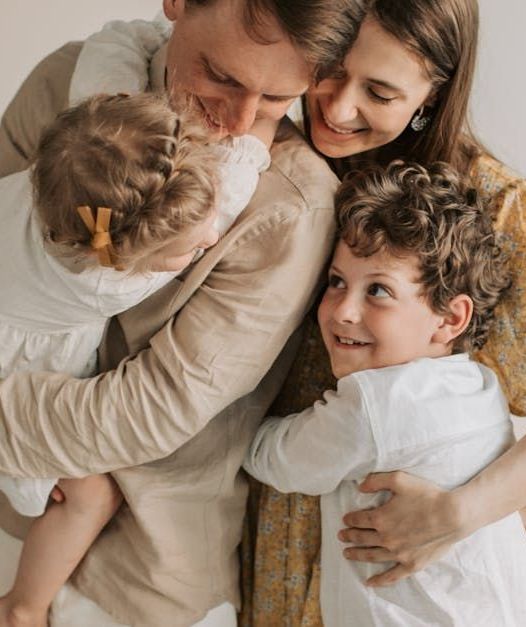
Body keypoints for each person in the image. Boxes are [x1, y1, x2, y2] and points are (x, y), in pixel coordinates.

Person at [0, 1, 364, 625]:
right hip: (15, 503)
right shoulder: (66, 82)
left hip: (139, 576)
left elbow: (151, 409)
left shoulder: (291, 206)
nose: (239, 122)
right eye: (221, 77)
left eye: (277, 99)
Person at [242, 1, 526, 625]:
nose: (338, 109)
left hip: (406, 571)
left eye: (379, 90)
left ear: (431, 94)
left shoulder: (503, 217)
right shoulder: (260, 163)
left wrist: (460, 513)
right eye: (331, 70)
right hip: (267, 561)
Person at [0, 89, 278, 627]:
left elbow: (110, 56)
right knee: (90, 494)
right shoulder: (103, 281)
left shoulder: (64, 174)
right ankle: (22, 607)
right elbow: (244, 160)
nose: (214, 236)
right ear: (119, 257)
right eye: (192, 251)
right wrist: (267, 115)